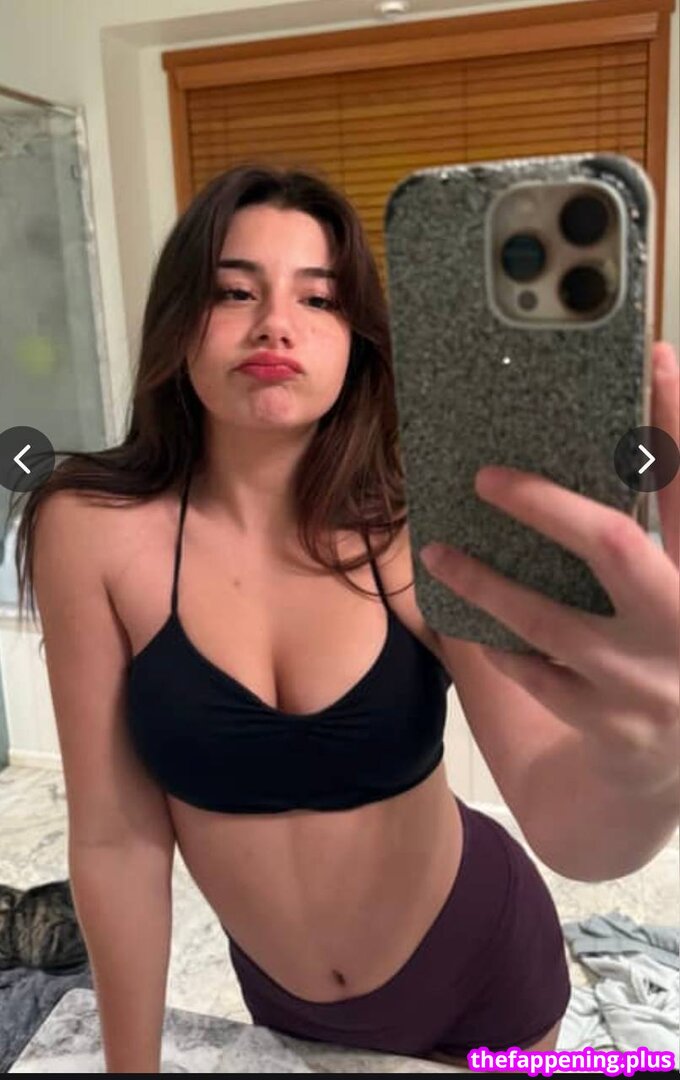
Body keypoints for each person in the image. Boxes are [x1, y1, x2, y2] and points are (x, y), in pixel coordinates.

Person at [15, 163, 679, 1073]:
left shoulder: (420, 529)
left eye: (319, 298)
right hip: (285, 1002)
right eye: (234, 291)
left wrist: (657, 750)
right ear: (177, 321)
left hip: (490, 973)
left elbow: (570, 829)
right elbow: (115, 840)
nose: (275, 323)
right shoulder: (89, 529)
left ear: (358, 342)